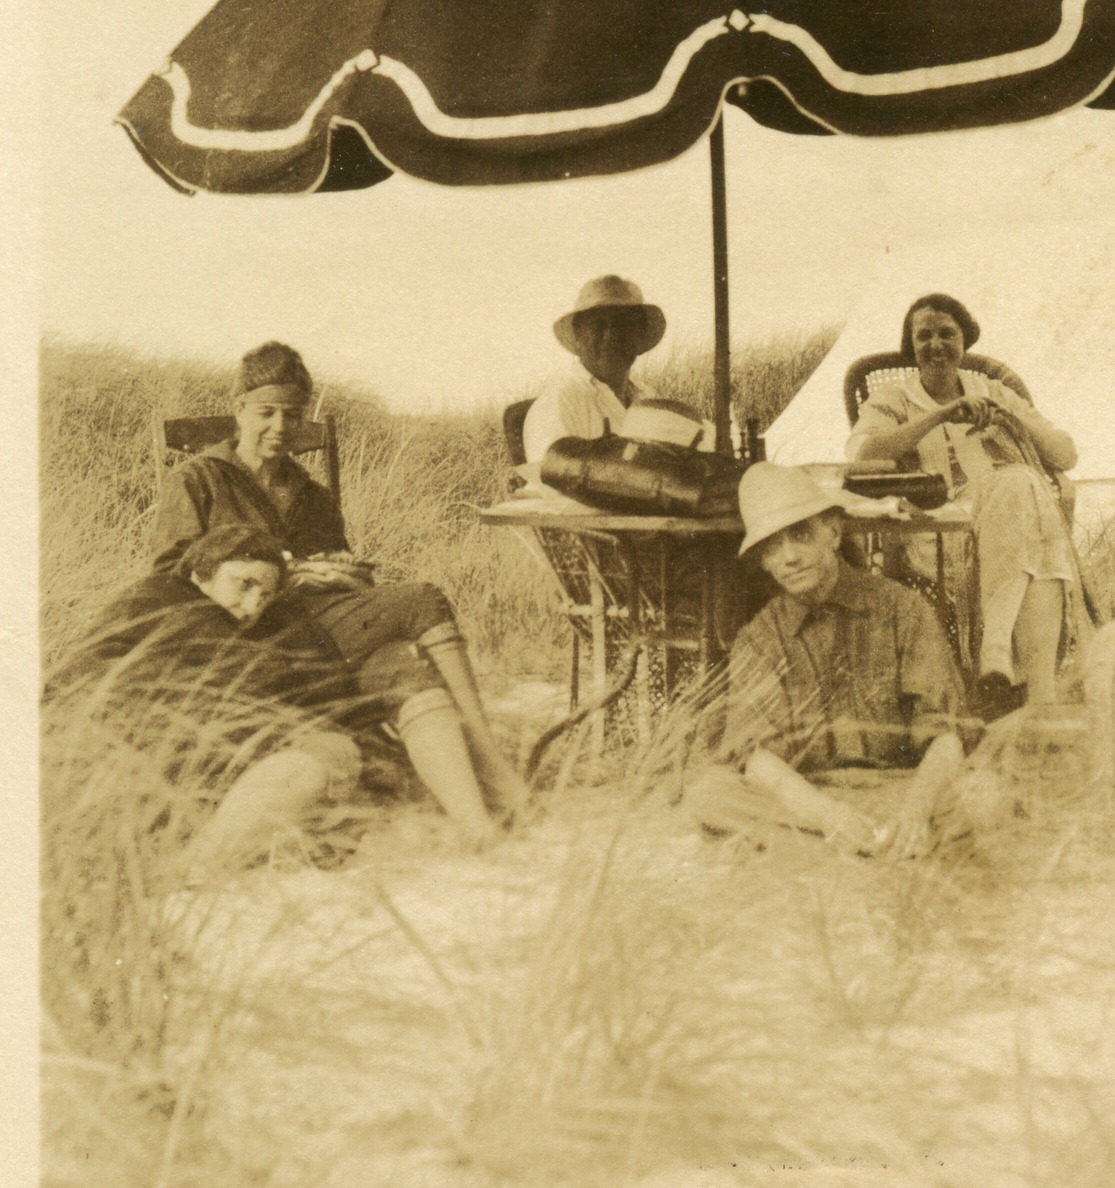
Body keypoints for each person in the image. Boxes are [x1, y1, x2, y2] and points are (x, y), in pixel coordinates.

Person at [150, 340, 524, 848]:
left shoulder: (310, 494)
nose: (280, 427)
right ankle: (494, 768)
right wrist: (290, 574)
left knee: (401, 666)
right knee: (424, 599)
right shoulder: (200, 480)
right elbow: (169, 581)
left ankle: (478, 828)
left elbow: (331, 570)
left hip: (319, 635)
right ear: (238, 410)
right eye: (266, 413)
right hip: (245, 642)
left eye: (293, 415)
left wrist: (344, 574)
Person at [686, 464, 999, 859]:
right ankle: (869, 846)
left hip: (901, 788)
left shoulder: (903, 609)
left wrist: (916, 812)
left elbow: (946, 732)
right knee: (710, 793)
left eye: (800, 536)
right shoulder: (761, 637)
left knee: (985, 793)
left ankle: (834, 848)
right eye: (772, 547)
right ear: (763, 561)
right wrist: (827, 815)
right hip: (807, 799)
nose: (789, 558)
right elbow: (756, 758)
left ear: (832, 532)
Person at [47, 524, 367, 878]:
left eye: (265, 596)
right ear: (203, 572)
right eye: (243, 584)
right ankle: (192, 872)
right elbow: (263, 681)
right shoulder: (168, 596)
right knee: (322, 757)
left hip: (125, 771)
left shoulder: (192, 612)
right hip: (104, 760)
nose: (251, 606)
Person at [845, 293, 1091, 718]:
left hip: (1009, 532)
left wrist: (1012, 421)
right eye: (924, 336)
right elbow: (863, 455)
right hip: (940, 536)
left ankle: (999, 658)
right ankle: (1039, 698)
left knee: (1018, 487)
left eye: (947, 334)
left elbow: (1065, 455)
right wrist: (943, 414)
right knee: (1034, 528)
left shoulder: (993, 391)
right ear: (911, 346)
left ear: (965, 342)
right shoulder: (893, 399)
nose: (936, 344)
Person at [519, 275, 674, 472]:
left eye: (622, 324)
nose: (610, 336)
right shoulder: (559, 402)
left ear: (640, 334)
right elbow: (551, 487)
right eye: (598, 325)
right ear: (578, 336)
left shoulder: (648, 398)